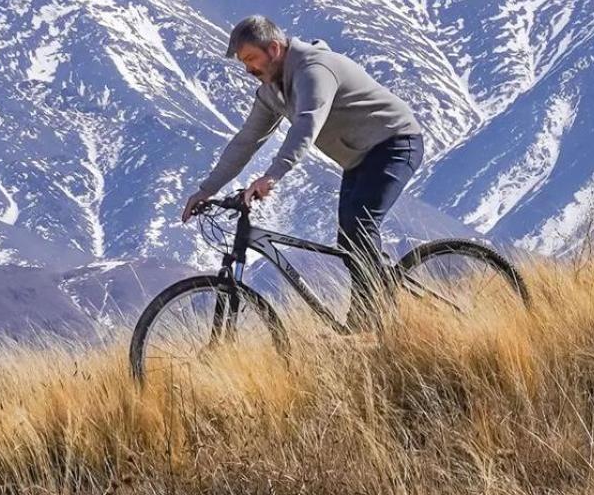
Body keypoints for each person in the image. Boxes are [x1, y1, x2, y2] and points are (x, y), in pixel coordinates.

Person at [182, 16, 425, 328]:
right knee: (350, 241)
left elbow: (306, 125)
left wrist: (272, 176)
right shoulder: (272, 90)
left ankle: (377, 320)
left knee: (358, 225)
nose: (248, 69)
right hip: (359, 159)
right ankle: (372, 311)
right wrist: (206, 190)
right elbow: (247, 140)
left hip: (395, 143)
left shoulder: (314, 70)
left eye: (251, 59)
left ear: (273, 48)